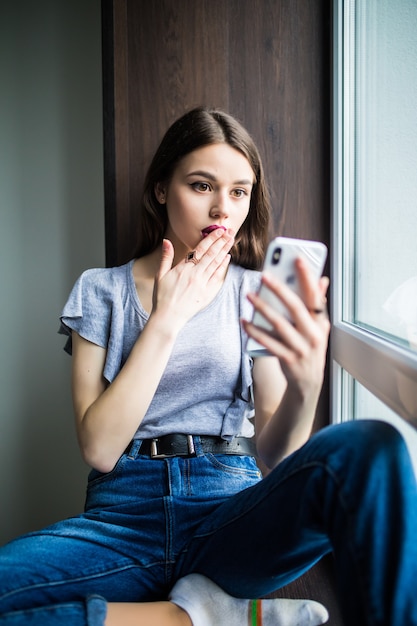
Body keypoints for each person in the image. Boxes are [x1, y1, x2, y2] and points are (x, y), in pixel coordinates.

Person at [0, 107, 416, 626]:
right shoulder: (99, 290)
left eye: (239, 192)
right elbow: (100, 448)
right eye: (202, 185)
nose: (223, 208)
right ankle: (199, 617)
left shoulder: (253, 292)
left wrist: (306, 385)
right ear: (160, 189)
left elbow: (275, 454)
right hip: (122, 518)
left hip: (228, 511)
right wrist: (168, 317)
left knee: (371, 448)